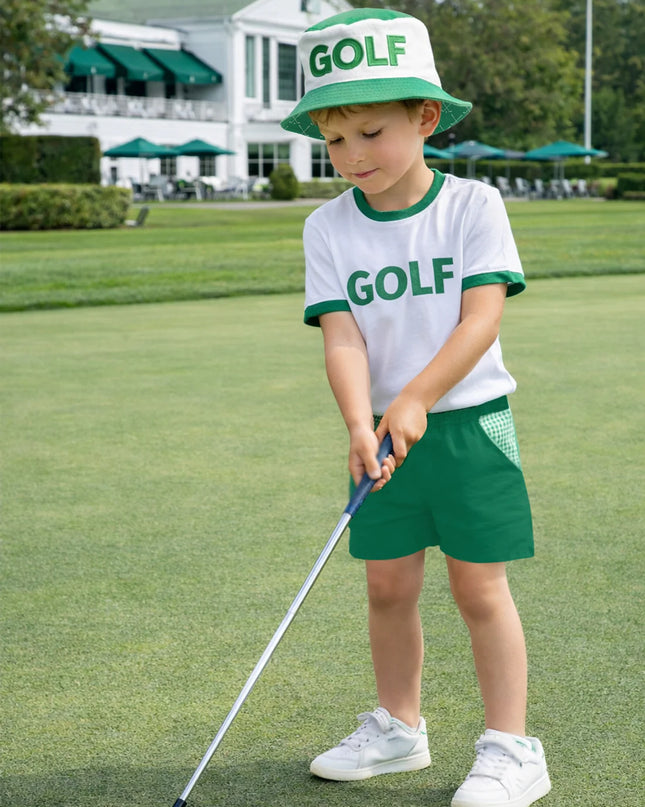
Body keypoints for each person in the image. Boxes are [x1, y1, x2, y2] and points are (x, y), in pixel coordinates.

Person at [281, 8, 551, 807]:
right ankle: (400, 727)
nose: (352, 155)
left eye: (371, 131)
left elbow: (482, 317)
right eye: (334, 140)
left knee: (478, 588)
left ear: (424, 117)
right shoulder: (326, 225)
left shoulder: (472, 205)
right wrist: (360, 422)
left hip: (469, 425)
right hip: (382, 435)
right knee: (388, 587)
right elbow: (342, 339)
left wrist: (418, 397)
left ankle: (511, 747)